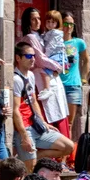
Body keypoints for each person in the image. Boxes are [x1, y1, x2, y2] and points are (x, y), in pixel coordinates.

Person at [12, 41, 74, 170]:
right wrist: (24, 135)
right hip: (24, 128)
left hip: (35, 125)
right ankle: (28, 159)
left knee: (68, 146)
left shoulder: (30, 75)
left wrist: (43, 122)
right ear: (18, 58)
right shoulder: (16, 79)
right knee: (30, 170)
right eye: (28, 56)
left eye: (34, 56)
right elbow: (15, 110)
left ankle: (32, 157)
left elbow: (34, 101)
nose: (33, 59)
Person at [20, 8, 70, 138]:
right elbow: (40, 59)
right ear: (27, 21)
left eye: (39, 18)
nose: (37, 22)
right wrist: (58, 66)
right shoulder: (30, 37)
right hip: (41, 78)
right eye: (33, 19)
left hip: (51, 77)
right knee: (49, 113)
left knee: (58, 111)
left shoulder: (42, 35)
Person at [61, 12, 89, 144]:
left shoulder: (78, 42)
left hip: (73, 86)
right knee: (57, 121)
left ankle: (66, 154)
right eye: (66, 23)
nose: (68, 27)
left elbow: (86, 60)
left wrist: (83, 78)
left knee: (69, 123)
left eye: (71, 24)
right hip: (57, 85)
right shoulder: (54, 42)